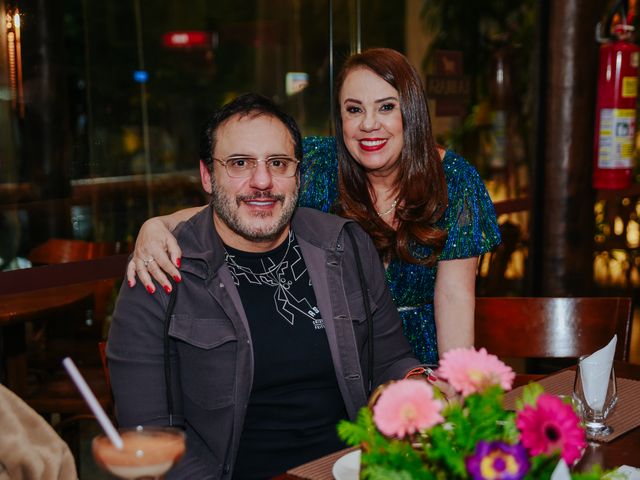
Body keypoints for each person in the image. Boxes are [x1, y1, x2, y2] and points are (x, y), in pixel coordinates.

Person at [107, 93, 423, 479]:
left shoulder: (345, 246)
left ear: (298, 176)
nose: (262, 181)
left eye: (278, 163)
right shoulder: (159, 271)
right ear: (207, 176)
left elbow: (390, 360)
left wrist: (421, 385)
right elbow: (149, 438)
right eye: (240, 163)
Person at [126, 48, 501, 366]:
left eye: (386, 107)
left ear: (412, 113)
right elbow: (239, 204)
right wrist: (158, 225)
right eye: (354, 110)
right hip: (334, 358)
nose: (369, 124)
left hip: (418, 367)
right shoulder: (319, 164)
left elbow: (454, 297)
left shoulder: (454, 180)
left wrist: (455, 391)